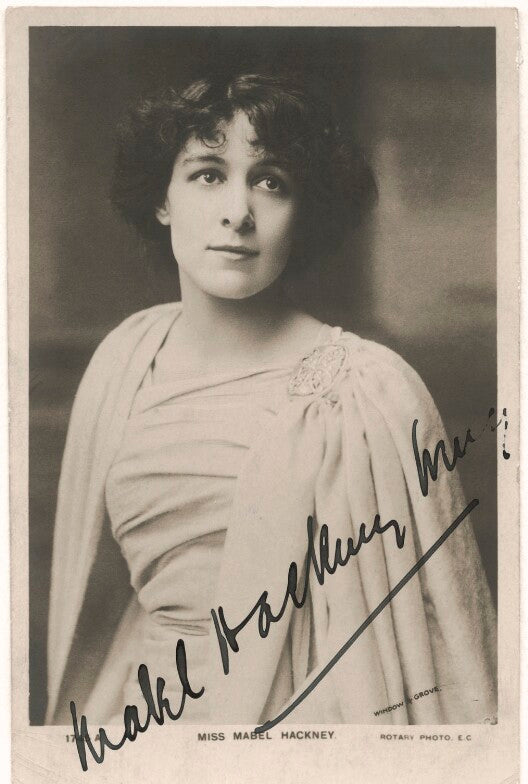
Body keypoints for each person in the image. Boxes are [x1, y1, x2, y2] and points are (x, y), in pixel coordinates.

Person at [46, 73, 497, 727]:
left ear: (303, 210)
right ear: (162, 199)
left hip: (307, 742)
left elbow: (434, 641)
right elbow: (95, 608)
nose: (238, 211)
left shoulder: (370, 390)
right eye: (207, 174)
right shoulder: (125, 359)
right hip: (141, 725)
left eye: (271, 181)